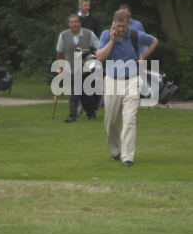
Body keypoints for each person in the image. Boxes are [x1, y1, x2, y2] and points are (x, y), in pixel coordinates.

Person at [96, 9, 158, 167]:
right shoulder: (106, 35)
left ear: (128, 24)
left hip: (132, 80)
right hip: (111, 81)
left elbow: (154, 41)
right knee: (111, 120)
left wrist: (143, 56)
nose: (121, 29)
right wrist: (111, 41)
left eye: (123, 26)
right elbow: (100, 57)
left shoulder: (136, 35)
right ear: (113, 24)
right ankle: (115, 151)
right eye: (118, 26)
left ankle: (127, 156)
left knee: (130, 119)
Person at [57, 14, 100, 122]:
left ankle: (90, 114)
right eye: (71, 22)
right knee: (73, 93)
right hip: (71, 69)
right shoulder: (63, 35)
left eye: (76, 22)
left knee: (87, 94)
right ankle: (72, 116)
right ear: (68, 24)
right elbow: (60, 51)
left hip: (86, 69)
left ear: (80, 23)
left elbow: (99, 48)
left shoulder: (89, 34)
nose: (74, 24)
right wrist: (61, 67)